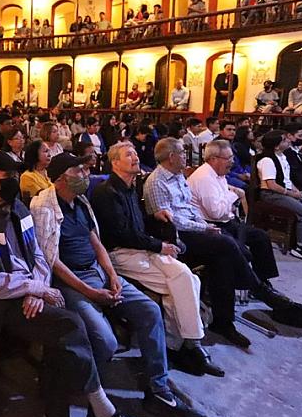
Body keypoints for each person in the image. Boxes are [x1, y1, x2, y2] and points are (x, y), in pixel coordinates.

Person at [0, 151, 146, 417]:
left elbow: (40, 256)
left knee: (63, 344)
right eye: (9, 176)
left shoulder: (18, 208)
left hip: (31, 293)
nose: (15, 181)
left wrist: (38, 287)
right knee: (70, 325)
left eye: (17, 175)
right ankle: (101, 410)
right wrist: (34, 288)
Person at [33, 154, 218, 417]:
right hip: (72, 282)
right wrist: (91, 292)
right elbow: (50, 260)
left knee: (149, 311)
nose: (86, 175)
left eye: (85, 169)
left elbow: (96, 243)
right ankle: (81, 390)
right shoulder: (44, 207)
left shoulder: (80, 202)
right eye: (79, 171)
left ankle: (158, 389)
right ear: (61, 178)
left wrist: (112, 275)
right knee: (106, 341)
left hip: (98, 272)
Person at [144, 138, 302, 345]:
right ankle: (266, 295)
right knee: (227, 244)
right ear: (172, 157)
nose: (186, 156)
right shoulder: (157, 182)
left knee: (224, 258)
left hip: (196, 227)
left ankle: (224, 322)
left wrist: (204, 224)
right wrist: (205, 227)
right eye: (183, 153)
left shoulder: (177, 176)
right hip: (176, 237)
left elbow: (190, 208)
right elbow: (172, 220)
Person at [90, 144, 223, 377]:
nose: (135, 157)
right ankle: (191, 345)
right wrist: (159, 246)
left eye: (135, 153)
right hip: (119, 253)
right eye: (129, 154)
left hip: (140, 248)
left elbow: (138, 225)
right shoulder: (106, 192)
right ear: (115, 163)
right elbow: (122, 235)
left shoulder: (131, 188)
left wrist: (154, 217)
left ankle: (176, 344)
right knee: (182, 280)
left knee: (188, 278)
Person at [188, 138, 302, 306]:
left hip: (225, 220)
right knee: (242, 251)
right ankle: (249, 286)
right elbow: (216, 211)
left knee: (260, 237)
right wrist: (234, 194)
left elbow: (224, 203)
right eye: (228, 158)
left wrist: (230, 194)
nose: (232, 162)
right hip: (211, 224)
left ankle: (263, 281)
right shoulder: (204, 177)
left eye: (232, 157)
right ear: (213, 159)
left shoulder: (218, 173)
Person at [257, 130, 302, 263]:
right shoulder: (267, 160)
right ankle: (301, 246)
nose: (289, 141)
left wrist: (297, 192)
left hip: (286, 191)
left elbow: (287, 180)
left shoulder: (283, 157)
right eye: (284, 140)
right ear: (276, 146)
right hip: (272, 194)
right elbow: (271, 185)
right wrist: (291, 194)